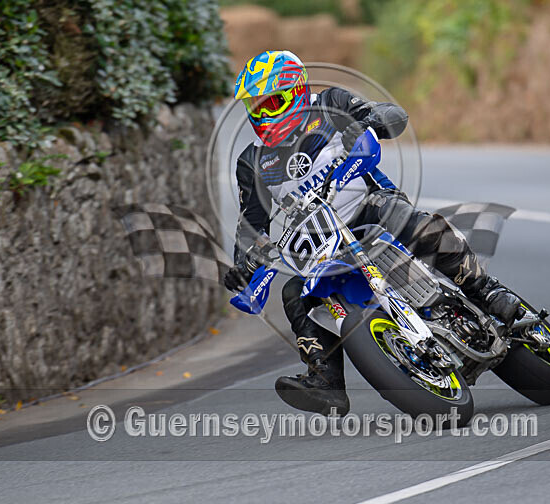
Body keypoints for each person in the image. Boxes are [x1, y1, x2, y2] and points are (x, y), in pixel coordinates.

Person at [223, 50, 523, 415]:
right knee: (294, 292)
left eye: (271, 102)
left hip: (369, 204)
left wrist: (372, 119)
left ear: (296, 90)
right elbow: (251, 224)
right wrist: (243, 266)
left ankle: (486, 291)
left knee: (405, 219)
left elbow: (389, 115)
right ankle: (325, 380)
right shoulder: (252, 161)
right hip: (320, 240)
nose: (263, 113)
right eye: (255, 106)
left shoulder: (331, 103)